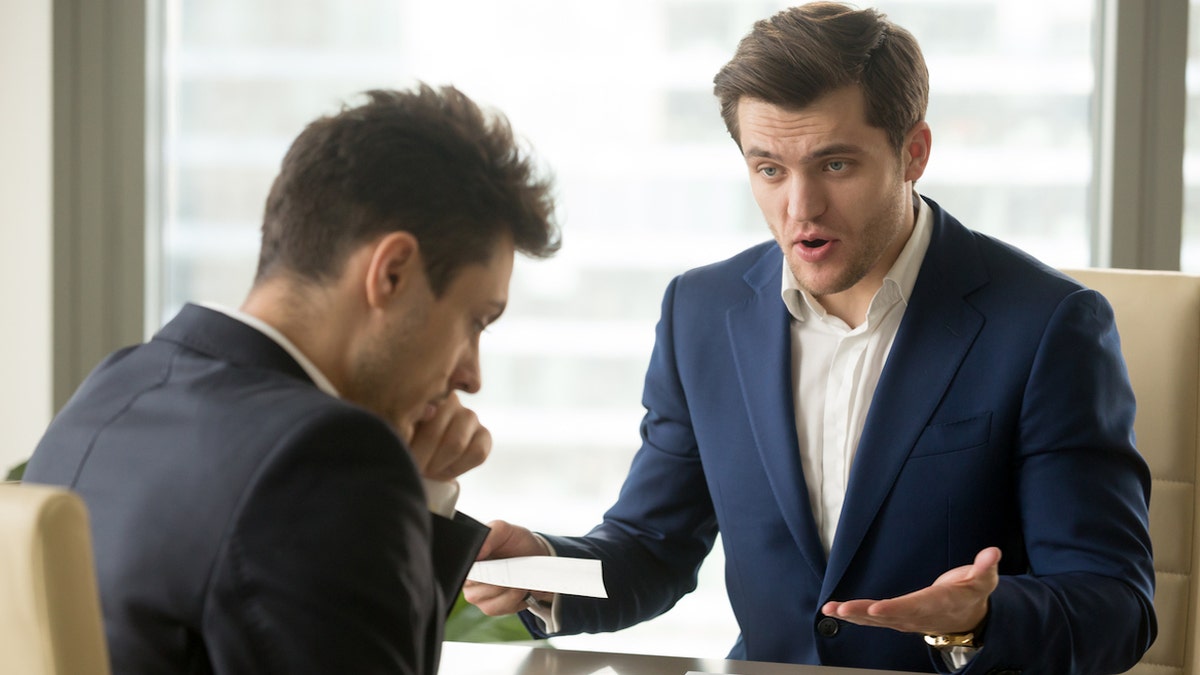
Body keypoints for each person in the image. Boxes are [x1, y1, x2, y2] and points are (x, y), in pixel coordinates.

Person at [463, 3, 1156, 673]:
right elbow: (654, 547)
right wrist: (542, 567)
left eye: (835, 165)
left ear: (913, 152)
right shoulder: (700, 312)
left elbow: (1116, 603)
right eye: (769, 169)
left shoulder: (1048, 327)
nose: (800, 209)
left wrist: (980, 617)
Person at [23, 84, 560, 675]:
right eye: (475, 321)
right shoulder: (324, 462)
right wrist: (418, 502)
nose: (471, 374)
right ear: (393, 273)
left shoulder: (113, 389)